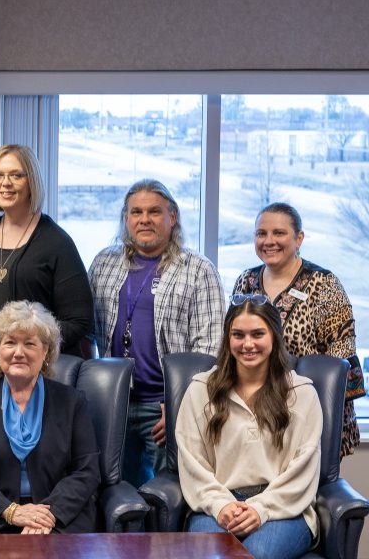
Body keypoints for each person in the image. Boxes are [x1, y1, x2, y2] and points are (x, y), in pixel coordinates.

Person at [89, 178, 224, 487]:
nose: (144, 219)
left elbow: (210, 349)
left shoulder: (198, 269)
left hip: (165, 408)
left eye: (154, 211)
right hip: (116, 405)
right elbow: (89, 333)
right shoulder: (103, 264)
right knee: (116, 495)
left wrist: (179, 405)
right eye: (136, 212)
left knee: (167, 496)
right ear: (126, 218)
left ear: (172, 217)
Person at [177, 296, 321, 559]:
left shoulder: (302, 394)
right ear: (227, 339)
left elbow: (303, 471)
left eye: (258, 334)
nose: (248, 344)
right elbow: (192, 462)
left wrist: (260, 509)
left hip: (283, 508)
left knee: (256, 554)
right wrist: (221, 505)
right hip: (217, 504)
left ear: (274, 337)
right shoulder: (200, 390)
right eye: (238, 335)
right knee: (218, 555)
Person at [0, 301, 100, 534]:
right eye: (10, 343)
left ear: (46, 353)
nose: (19, 352)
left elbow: (87, 471)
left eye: (30, 343)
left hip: (58, 519)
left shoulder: (73, 402)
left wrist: (45, 515)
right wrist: (12, 511)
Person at [232, 202, 364, 457]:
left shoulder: (324, 284)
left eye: (279, 233)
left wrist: (306, 402)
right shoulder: (246, 281)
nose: (269, 241)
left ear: (299, 238)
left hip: (311, 412)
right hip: (256, 414)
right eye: (261, 234)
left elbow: (342, 357)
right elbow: (234, 340)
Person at [0, 144, 93, 359]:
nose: (5, 183)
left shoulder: (57, 243)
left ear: (32, 181)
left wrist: (23, 346)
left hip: (33, 367)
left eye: (16, 175)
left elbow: (79, 321)